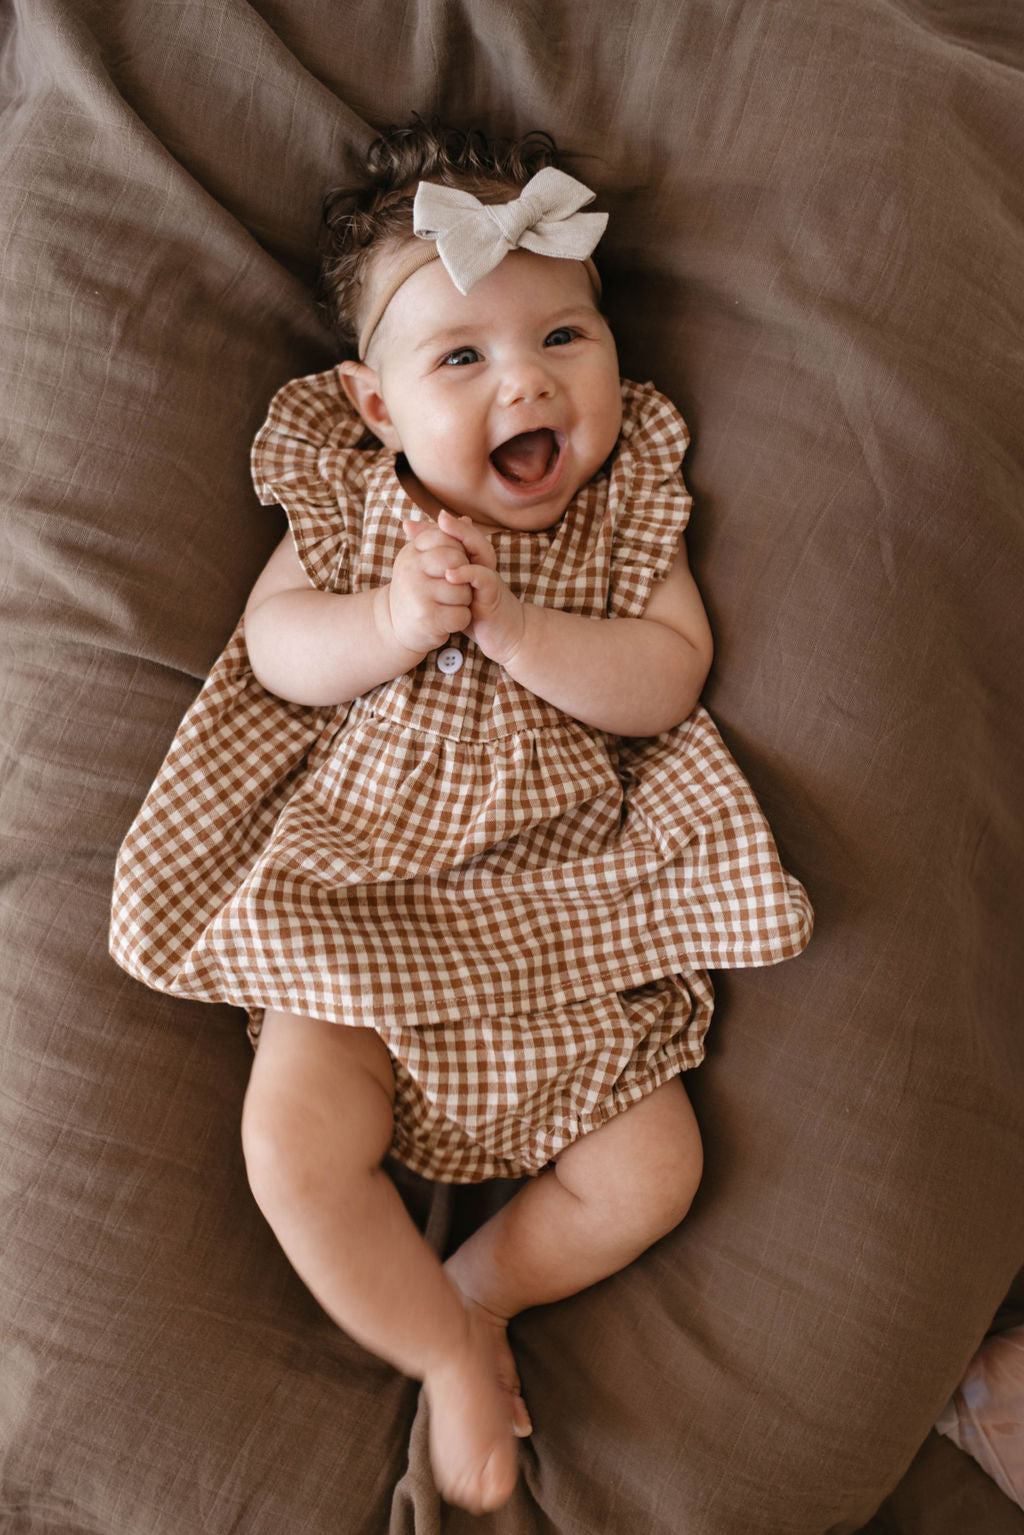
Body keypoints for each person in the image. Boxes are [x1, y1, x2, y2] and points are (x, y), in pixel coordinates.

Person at [110, 120, 813, 1514]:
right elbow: (275, 656)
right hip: (363, 908)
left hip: (560, 926)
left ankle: (479, 1294)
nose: (526, 384)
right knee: (290, 1148)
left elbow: (670, 673)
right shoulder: (354, 508)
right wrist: (386, 619)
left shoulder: (625, 515)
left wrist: (521, 629)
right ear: (377, 410)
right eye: (462, 359)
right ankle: (439, 1357)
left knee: (653, 1169)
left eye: (564, 337)